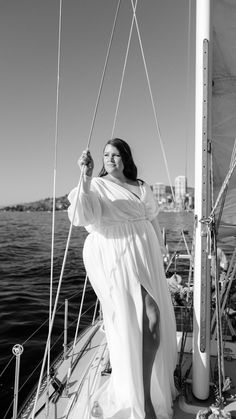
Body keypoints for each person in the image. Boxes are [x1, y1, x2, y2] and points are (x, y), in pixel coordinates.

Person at [68, 138, 177, 419]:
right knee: (139, 319)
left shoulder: (141, 186)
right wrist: (85, 177)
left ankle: (150, 388)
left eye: (115, 154)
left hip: (147, 254)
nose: (110, 159)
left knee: (153, 320)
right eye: (106, 155)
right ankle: (143, 400)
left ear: (126, 158)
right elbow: (80, 216)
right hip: (120, 256)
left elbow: (152, 219)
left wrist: (161, 252)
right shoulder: (97, 186)